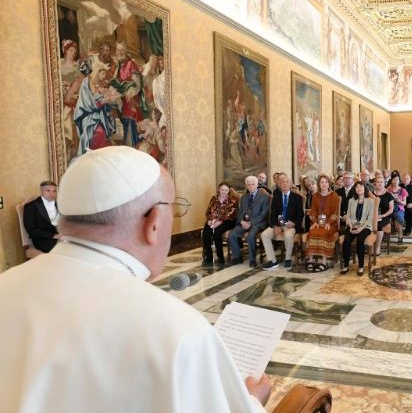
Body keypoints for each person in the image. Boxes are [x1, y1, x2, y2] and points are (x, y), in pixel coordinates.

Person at [0, 146, 271, 411]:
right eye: (173, 208)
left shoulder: (6, 286)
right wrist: (252, 401)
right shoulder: (176, 331)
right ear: (153, 222)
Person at [261, 173, 304, 271]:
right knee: (264, 235)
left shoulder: (297, 197)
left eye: (287, 182)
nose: (284, 184)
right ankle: (272, 261)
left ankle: (288, 259)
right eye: (282, 182)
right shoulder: (276, 195)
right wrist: (274, 225)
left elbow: (300, 214)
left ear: (290, 184)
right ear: (279, 184)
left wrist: (294, 223)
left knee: (288, 235)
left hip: (290, 225)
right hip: (278, 224)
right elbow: (273, 213)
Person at [228, 176, 270, 267]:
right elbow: (239, 212)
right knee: (232, 235)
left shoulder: (265, 197)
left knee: (251, 236)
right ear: (246, 186)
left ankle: (252, 260)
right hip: (244, 222)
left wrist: (251, 223)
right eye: (248, 185)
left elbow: (263, 214)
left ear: (257, 185)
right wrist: (242, 221)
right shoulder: (244, 197)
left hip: (258, 223)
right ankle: (237, 257)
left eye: (253, 184)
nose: (250, 187)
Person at [305, 175, 340, 271]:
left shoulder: (334, 196)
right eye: (322, 182)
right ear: (319, 184)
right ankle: (311, 260)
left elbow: (336, 212)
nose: (324, 184)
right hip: (318, 222)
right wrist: (314, 222)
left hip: (331, 223)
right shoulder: (315, 196)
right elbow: (313, 211)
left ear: (329, 184)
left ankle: (324, 262)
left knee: (324, 232)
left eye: (326, 182)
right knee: (312, 232)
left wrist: (329, 222)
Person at [201, 182, 238, 266]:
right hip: (214, 220)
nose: (224, 192)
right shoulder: (214, 198)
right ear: (219, 189)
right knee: (206, 234)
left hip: (228, 221)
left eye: (226, 190)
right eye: (222, 190)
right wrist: (209, 220)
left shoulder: (233, 199)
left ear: (228, 191)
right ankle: (209, 257)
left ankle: (220, 258)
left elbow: (231, 214)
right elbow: (208, 211)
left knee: (217, 233)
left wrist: (220, 222)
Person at [342, 181, 374, 276]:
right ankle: (346, 265)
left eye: (361, 186)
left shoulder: (370, 201)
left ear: (364, 188)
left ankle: (361, 266)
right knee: (346, 240)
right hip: (352, 225)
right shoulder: (351, 201)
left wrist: (361, 228)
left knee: (360, 240)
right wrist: (351, 226)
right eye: (357, 187)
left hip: (365, 226)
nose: (359, 188)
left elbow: (370, 218)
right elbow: (348, 216)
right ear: (354, 190)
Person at [23, 181, 61, 253]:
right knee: (63, 251)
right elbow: (32, 230)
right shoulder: (30, 206)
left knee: (80, 246)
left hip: (60, 236)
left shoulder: (60, 204)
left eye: (54, 191)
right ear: (41, 191)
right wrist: (54, 236)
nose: (52, 194)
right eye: (48, 191)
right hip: (43, 239)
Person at [372, 176, 394, 256]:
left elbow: (391, 209)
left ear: (384, 184)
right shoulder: (371, 194)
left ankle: (377, 246)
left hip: (385, 216)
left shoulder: (388, 195)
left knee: (379, 226)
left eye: (381, 182)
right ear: (375, 184)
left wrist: (382, 215)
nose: (380, 184)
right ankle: (371, 245)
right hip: (372, 216)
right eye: (378, 182)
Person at [387, 176, 408, 244]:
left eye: (397, 179)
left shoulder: (402, 190)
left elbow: (405, 203)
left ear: (399, 181)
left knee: (397, 219)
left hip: (399, 208)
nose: (395, 181)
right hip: (389, 208)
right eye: (394, 179)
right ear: (391, 180)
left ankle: (400, 236)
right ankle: (384, 236)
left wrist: (399, 200)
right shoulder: (388, 189)